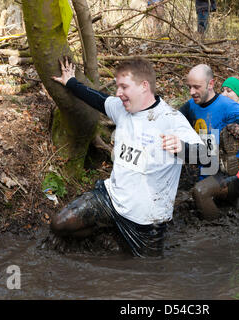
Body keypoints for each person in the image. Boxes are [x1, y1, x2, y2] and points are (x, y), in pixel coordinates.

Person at [51, 57, 204, 257]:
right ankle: (107, 232)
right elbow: (97, 98)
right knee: (59, 224)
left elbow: (208, 157)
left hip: (147, 221)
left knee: (147, 276)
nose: (118, 93)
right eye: (117, 87)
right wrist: (70, 82)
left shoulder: (171, 119)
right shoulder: (121, 108)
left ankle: (115, 237)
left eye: (124, 87)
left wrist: (183, 148)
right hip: (110, 199)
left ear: (144, 86)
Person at [179, 64, 239, 220]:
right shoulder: (191, 105)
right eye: (189, 87)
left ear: (211, 84)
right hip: (210, 167)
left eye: (196, 87)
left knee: (200, 192)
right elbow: (171, 119)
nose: (192, 92)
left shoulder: (228, 106)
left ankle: (216, 233)